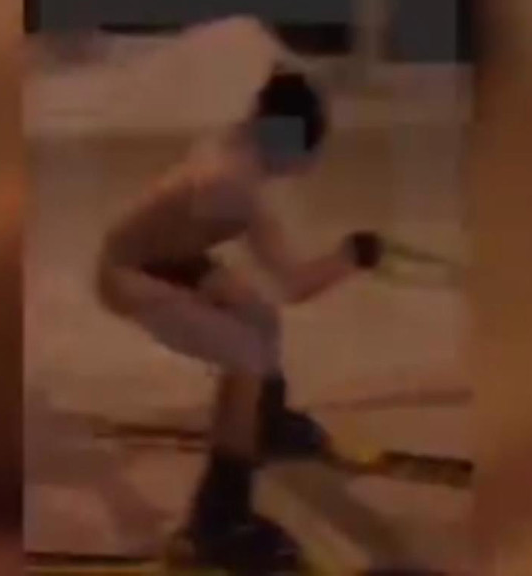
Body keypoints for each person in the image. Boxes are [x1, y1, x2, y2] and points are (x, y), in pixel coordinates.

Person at [96, 66, 384, 570]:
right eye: (307, 150)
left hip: (170, 258)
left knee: (260, 317)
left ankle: (264, 425)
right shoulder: (232, 185)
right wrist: (350, 257)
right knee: (245, 357)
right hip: (131, 275)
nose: (309, 163)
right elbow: (294, 282)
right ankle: (218, 521)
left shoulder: (234, 151)